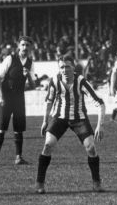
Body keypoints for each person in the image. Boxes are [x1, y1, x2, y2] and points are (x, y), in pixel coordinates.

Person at [36, 54, 106, 194]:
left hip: (79, 118)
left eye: (67, 66)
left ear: (73, 67)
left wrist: (100, 125)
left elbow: (100, 103)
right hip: (59, 118)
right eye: (61, 67)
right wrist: (45, 121)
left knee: (91, 148)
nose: (64, 70)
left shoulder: (81, 82)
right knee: (48, 145)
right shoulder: (54, 81)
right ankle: (40, 183)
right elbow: (48, 101)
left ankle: (96, 183)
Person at [0, 36, 36, 166]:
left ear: (30, 48)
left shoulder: (30, 63)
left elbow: (33, 85)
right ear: (18, 46)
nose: (25, 47)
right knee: (1, 128)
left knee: (19, 129)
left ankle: (18, 157)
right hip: (6, 97)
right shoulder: (10, 58)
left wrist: (28, 74)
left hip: (19, 98)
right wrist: (0, 95)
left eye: (27, 45)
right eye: (23, 45)